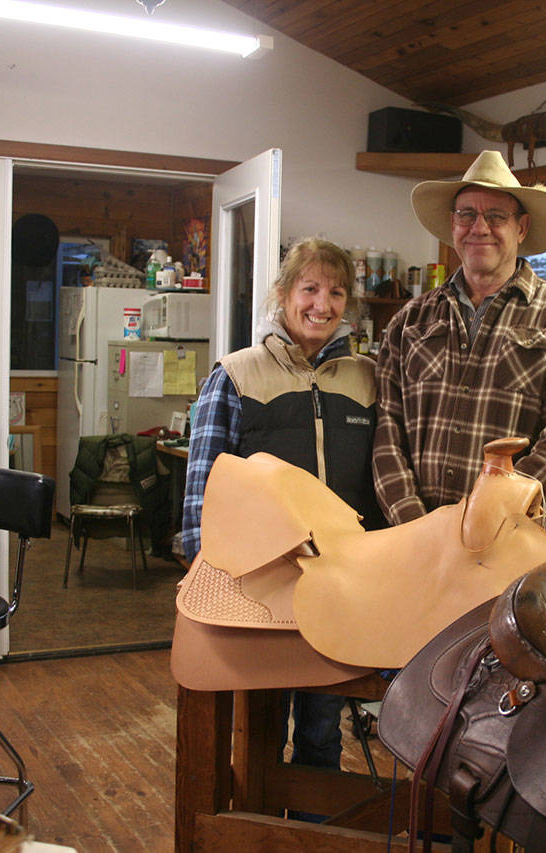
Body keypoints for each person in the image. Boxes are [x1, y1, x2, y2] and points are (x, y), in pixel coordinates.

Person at [181, 237, 380, 771]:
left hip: (341, 582)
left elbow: (381, 481)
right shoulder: (236, 374)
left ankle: (313, 832)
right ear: (283, 293)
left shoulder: (367, 380)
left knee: (322, 730)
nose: (322, 304)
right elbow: (204, 481)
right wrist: (202, 571)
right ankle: (261, 829)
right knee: (259, 731)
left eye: (336, 292)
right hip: (260, 584)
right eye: (309, 288)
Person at [374, 149, 546, 529]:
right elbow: (386, 437)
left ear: (521, 228)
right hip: (420, 546)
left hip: (517, 546)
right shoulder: (409, 322)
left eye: (496, 216)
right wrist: (418, 529)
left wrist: (487, 520)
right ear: (452, 224)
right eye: (467, 215)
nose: (479, 227)